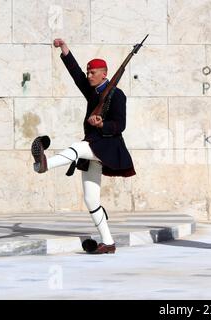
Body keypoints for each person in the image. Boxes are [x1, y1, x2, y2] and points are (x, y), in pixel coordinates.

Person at [31, 38, 135, 254]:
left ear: (104, 74)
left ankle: (45, 164)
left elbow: (120, 125)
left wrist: (103, 124)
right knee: (90, 198)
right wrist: (65, 49)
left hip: (107, 146)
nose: (88, 76)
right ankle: (108, 242)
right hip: (94, 147)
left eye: (93, 73)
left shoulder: (117, 95)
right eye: (88, 73)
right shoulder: (92, 91)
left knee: (77, 148)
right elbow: (76, 74)